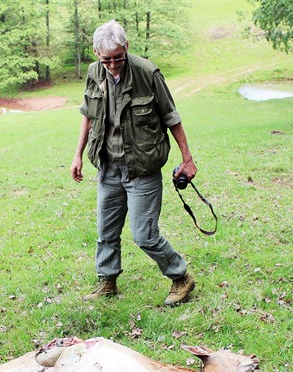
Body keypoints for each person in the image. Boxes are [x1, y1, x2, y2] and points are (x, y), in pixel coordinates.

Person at [70, 20, 197, 306]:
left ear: (126, 48)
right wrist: (78, 154)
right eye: (106, 60)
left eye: (118, 57)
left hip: (142, 167)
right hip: (109, 165)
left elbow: (172, 117)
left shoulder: (147, 72)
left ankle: (181, 276)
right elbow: (87, 115)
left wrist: (187, 159)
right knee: (106, 230)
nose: (113, 65)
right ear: (95, 53)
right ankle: (107, 281)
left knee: (144, 234)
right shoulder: (94, 73)